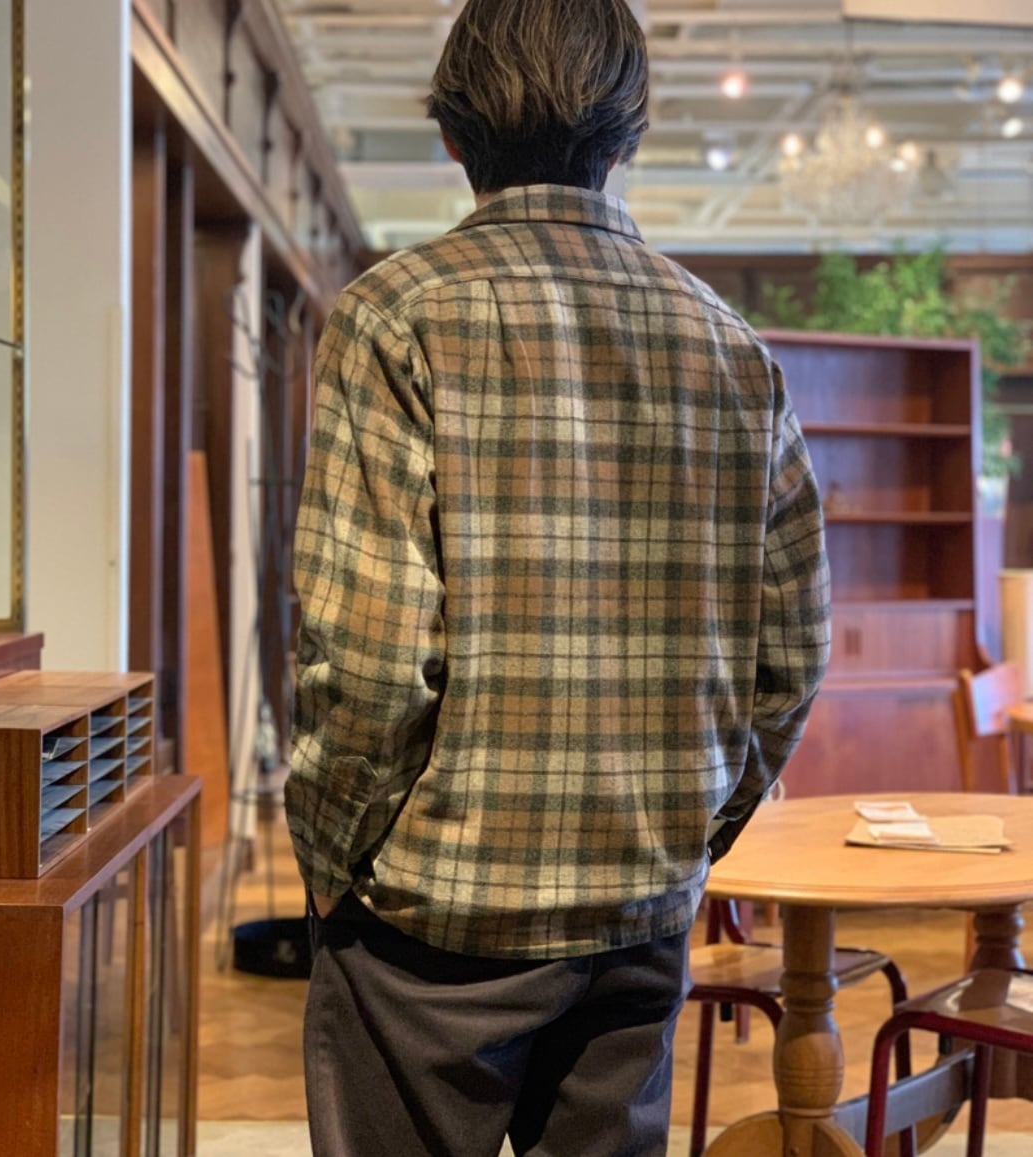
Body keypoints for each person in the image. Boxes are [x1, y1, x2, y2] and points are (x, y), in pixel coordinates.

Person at [285, 0, 830, 1153]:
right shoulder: (733, 347)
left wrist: (331, 859)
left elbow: (369, 660)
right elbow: (791, 655)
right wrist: (691, 831)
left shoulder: (395, 317)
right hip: (639, 903)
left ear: (451, 131)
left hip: (432, 917)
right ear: (631, 132)